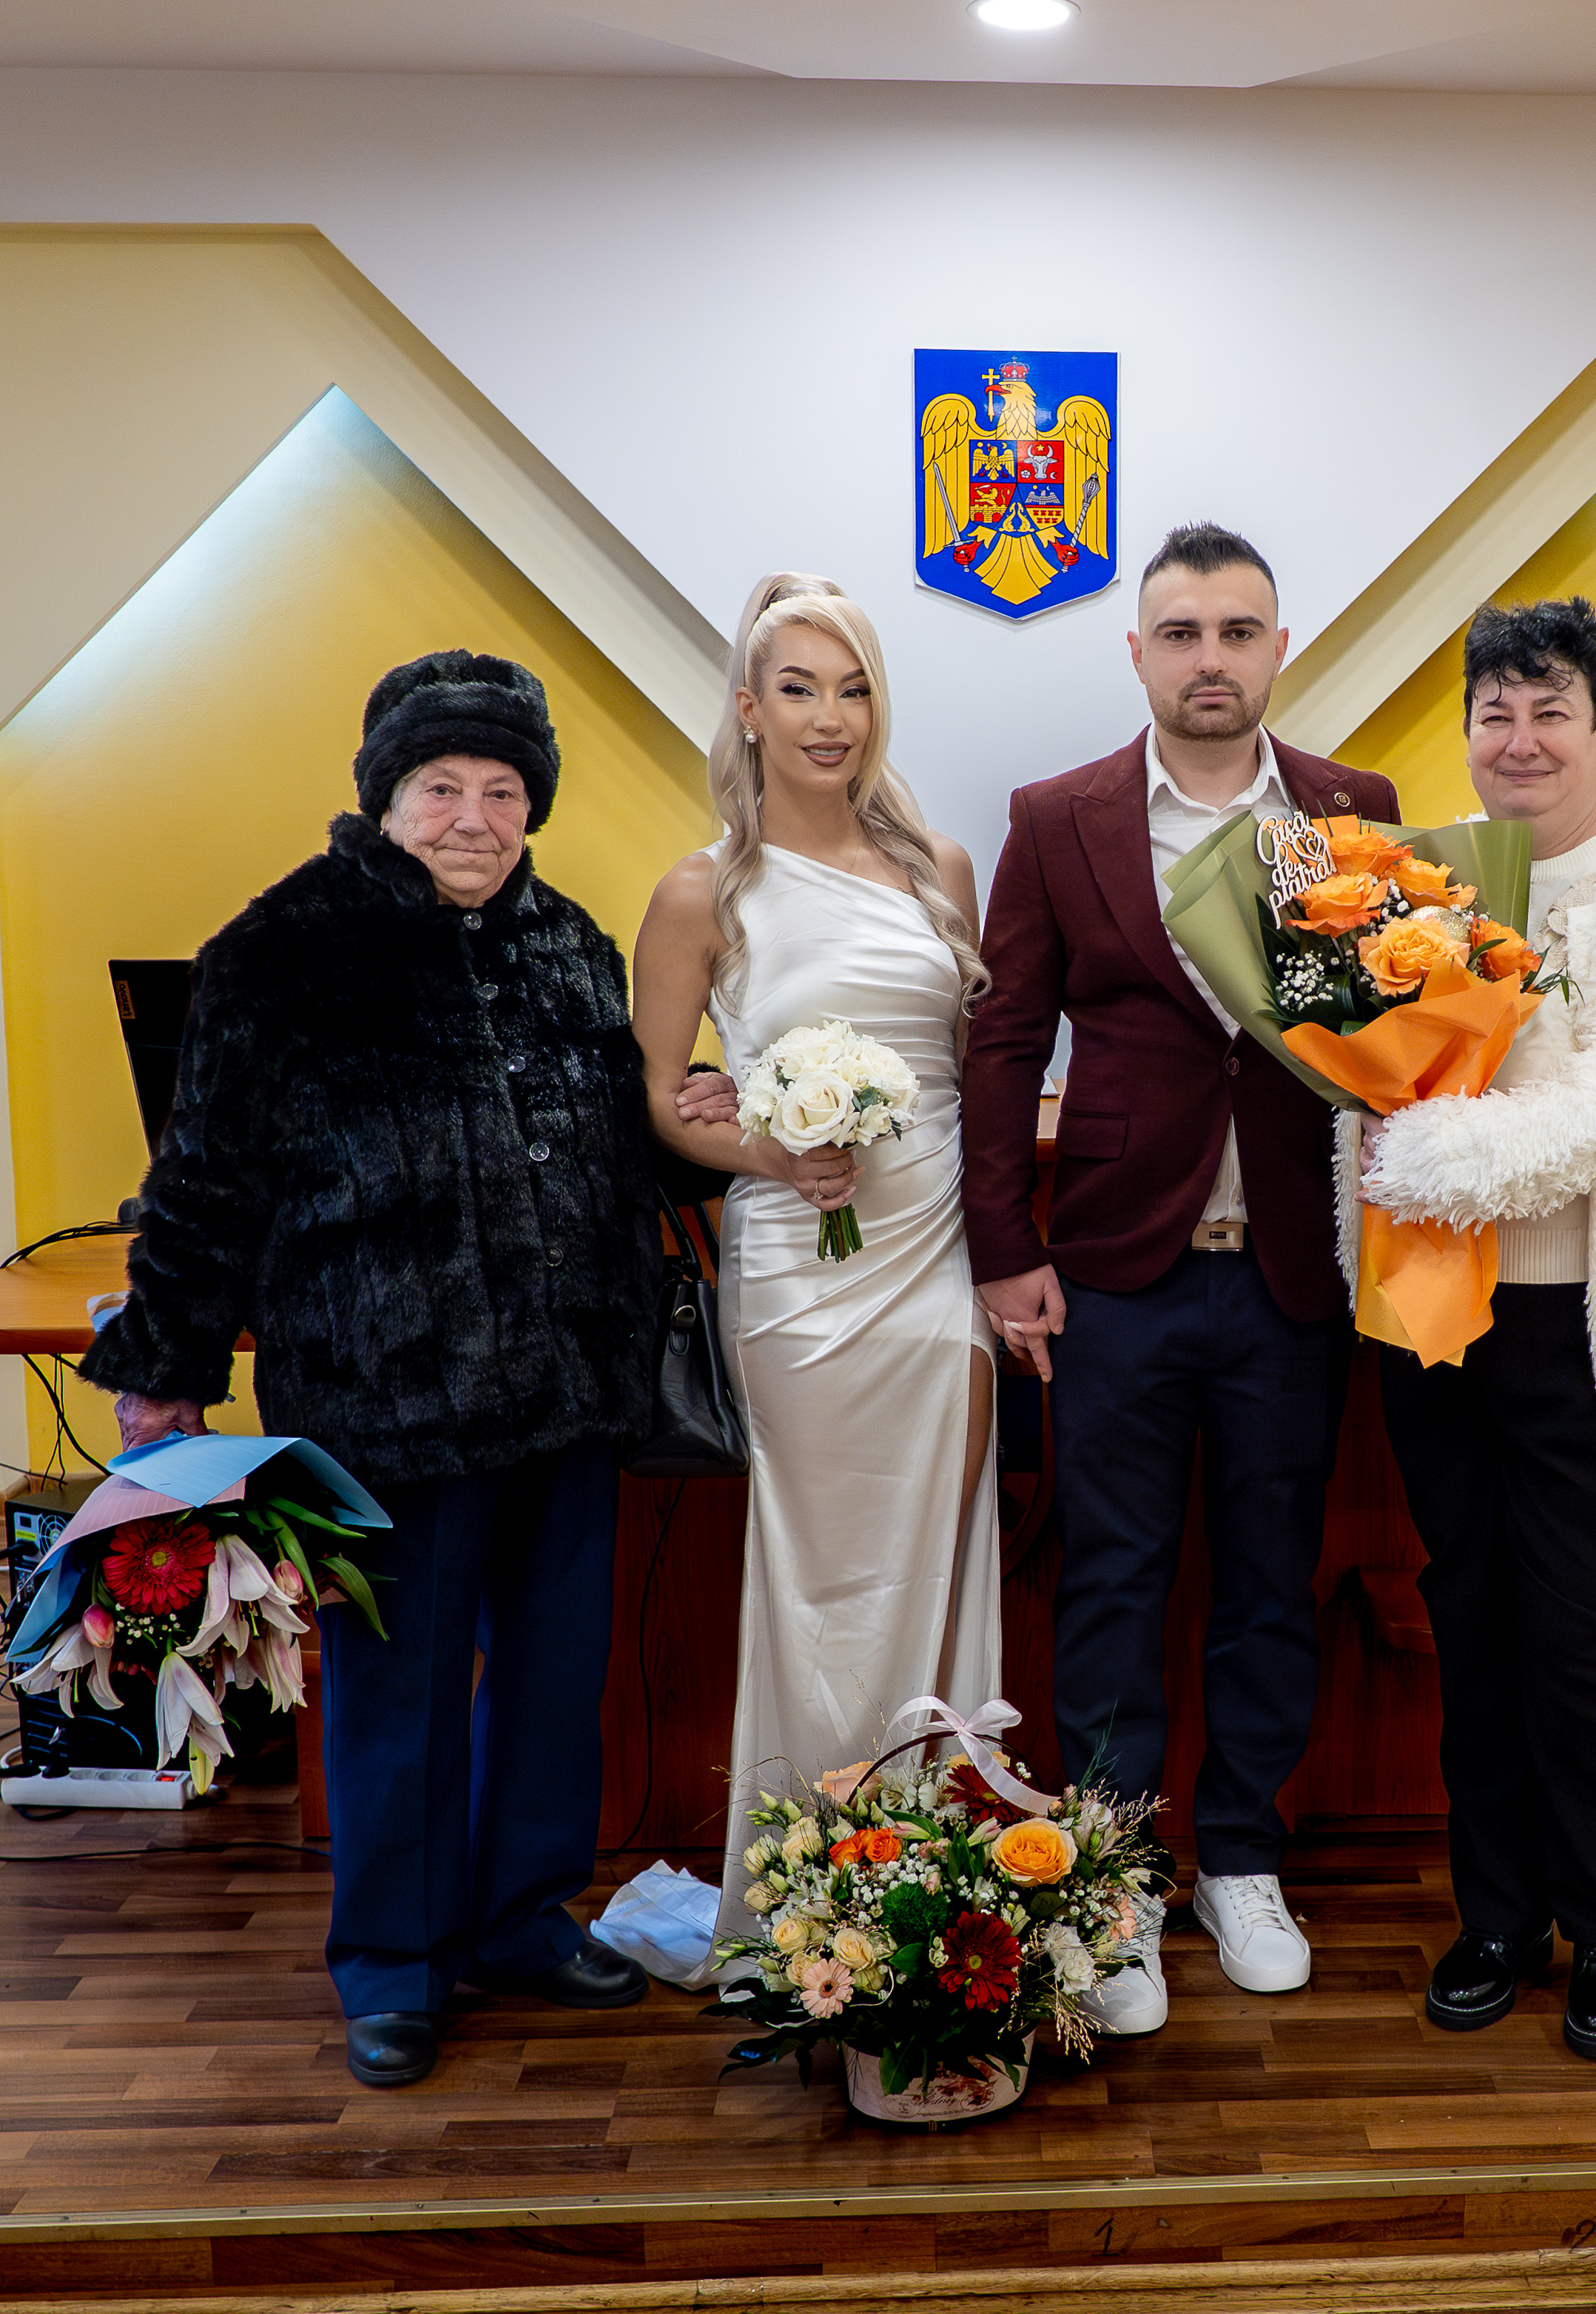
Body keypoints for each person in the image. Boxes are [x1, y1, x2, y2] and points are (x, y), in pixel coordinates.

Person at [84, 650, 662, 2092]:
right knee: (396, 1694)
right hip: (383, 1396)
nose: (474, 817)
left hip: (569, 1389)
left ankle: (521, 1919)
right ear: (384, 797)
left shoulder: (576, 946)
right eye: (440, 787)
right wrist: (166, 1371)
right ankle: (396, 1965)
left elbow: (621, 1151)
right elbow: (202, 1181)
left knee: (554, 1680)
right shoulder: (278, 950)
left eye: (503, 790)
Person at [960, 522, 1399, 2031]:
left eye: (1237, 630)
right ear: (1138, 651)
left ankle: (1244, 1862)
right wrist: (1004, 1249)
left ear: (1279, 647)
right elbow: (1004, 1042)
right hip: (1113, 1273)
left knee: (1272, 1581)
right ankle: (1118, 1880)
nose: (1211, 658)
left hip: (1293, 1272)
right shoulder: (1058, 817)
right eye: (1182, 632)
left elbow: (1384, 1036)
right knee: (1111, 1584)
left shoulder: (1352, 809)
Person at [1354, 597, 1596, 2065]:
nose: (1519, 741)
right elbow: (1371, 1076)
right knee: (1469, 1627)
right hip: (1435, 1320)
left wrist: (1431, 1157)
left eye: (1550, 712)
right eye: (1495, 714)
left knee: (1587, 1637)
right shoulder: (1426, 882)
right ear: (1466, 732)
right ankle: (1500, 1918)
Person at [633, 575, 1002, 1954]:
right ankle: (806, 1909)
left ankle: (932, 1894)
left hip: (938, 1256)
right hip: (800, 1274)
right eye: (797, 689)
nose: (828, 717)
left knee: (939, 1562)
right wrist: (776, 1155)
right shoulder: (703, 892)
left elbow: (971, 1075)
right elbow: (664, 1103)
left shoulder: (941, 870)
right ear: (749, 707)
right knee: (820, 1577)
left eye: (852, 690)